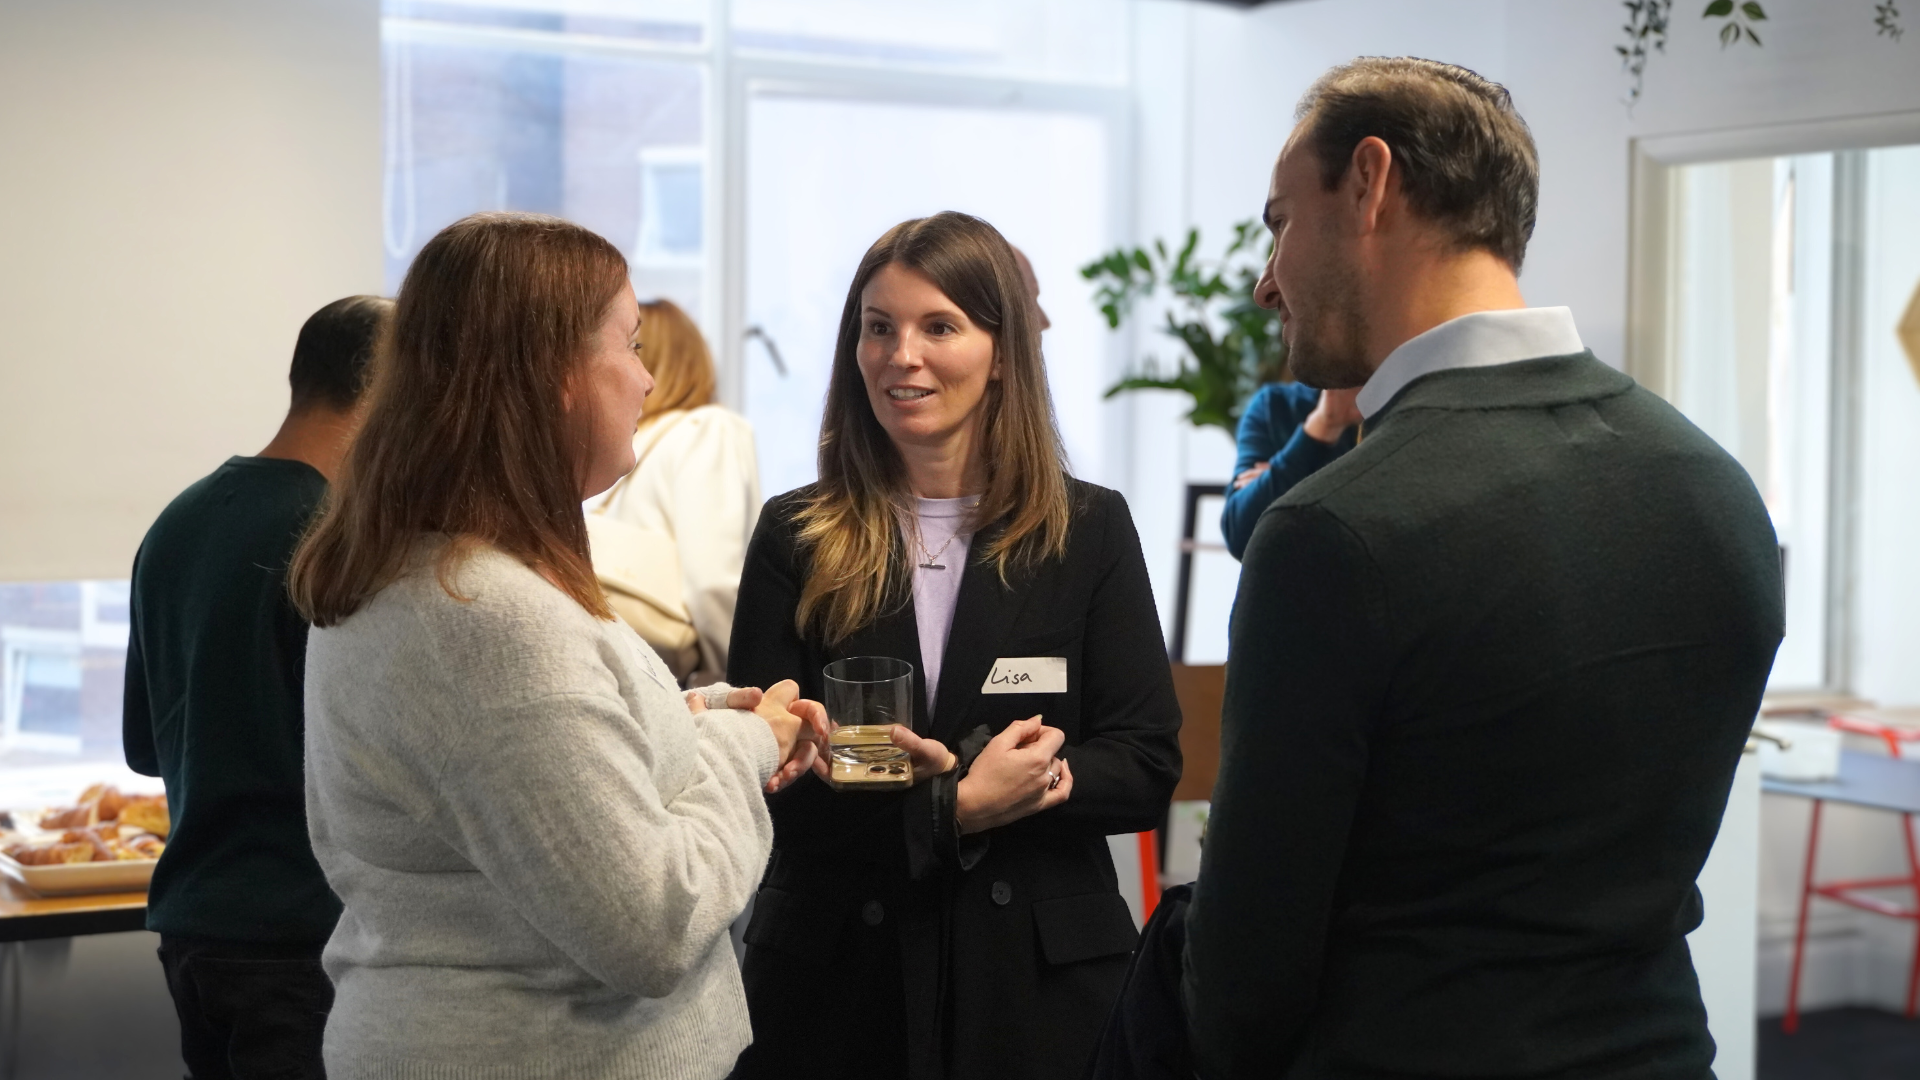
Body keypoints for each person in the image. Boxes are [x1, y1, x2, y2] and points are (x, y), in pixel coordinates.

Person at [1181, 58, 1783, 1078]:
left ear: (1370, 183)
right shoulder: (1717, 492)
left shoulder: (1334, 533)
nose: (1266, 278)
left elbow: (1247, 970)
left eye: (1281, 220)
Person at [288, 212, 822, 1079]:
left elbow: (544, 764)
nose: (649, 381)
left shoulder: (440, 573)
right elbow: (654, 921)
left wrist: (701, 713)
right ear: (556, 376)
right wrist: (745, 742)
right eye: (631, 344)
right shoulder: (486, 619)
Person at [727, 211, 1183, 1080]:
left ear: (1003, 351)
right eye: (878, 328)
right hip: (839, 982)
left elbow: (1146, 761)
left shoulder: (1087, 530)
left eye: (940, 326)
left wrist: (1038, 779)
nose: (904, 356)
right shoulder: (796, 534)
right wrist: (957, 806)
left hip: (1036, 988)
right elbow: (765, 778)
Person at [123, 293, 390, 1080]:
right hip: (302, 938)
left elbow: (145, 747)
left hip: (193, 929)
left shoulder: (178, 519)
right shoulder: (334, 541)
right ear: (382, 386)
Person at [589, 298, 760, 685]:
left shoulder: (625, 450)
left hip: (627, 670)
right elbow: (714, 580)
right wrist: (741, 678)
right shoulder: (707, 429)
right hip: (689, 677)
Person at [1217, 382, 1358, 560]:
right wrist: (1323, 425)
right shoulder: (1275, 405)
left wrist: (1280, 482)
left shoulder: (1399, 402)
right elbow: (1242, 538)